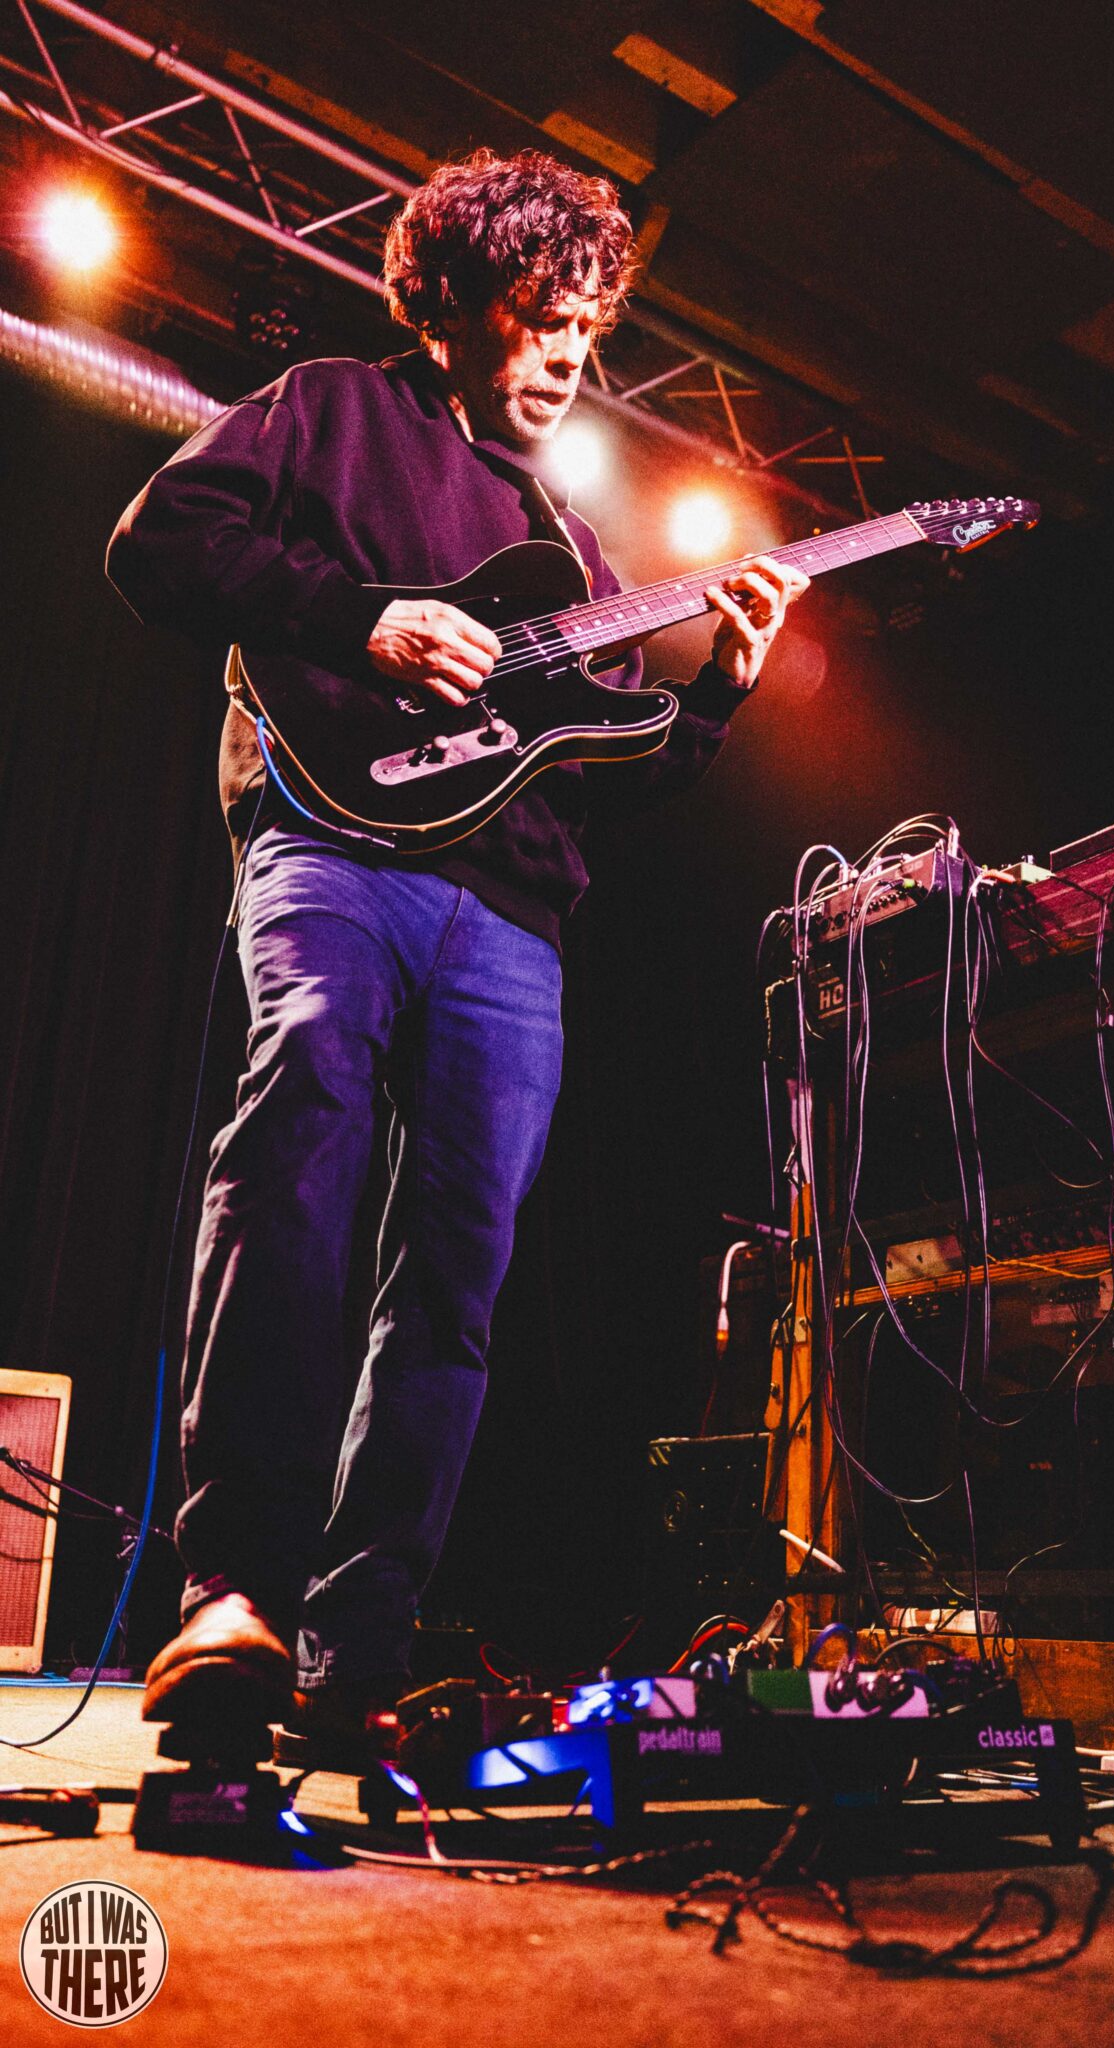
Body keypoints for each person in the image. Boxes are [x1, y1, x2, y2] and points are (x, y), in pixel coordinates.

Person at [106, 148, 807, 1745]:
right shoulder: (329, 409)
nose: (567, 354)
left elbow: (608, 770)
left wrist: (713, 695)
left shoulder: (568, 542)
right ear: (452, 300)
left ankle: (357, 1649)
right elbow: (159, 542)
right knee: (298, 1127)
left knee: (460, 1273)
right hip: (332, 849)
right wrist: (361, 621)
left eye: (587, 328)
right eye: (539, 316)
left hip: (513, 916)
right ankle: (236, 1594)